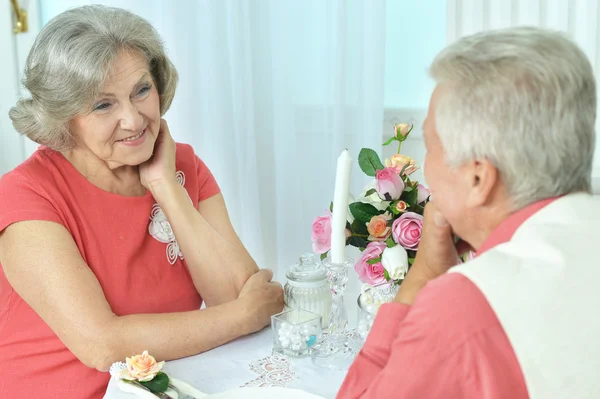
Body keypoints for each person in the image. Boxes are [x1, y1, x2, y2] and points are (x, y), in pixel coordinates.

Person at [0, 5, 283, 398]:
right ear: (62, 117)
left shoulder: (180, 165)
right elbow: (102, 345)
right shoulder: (27, 195)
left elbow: (235, 294)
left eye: (141, 91)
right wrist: (240, 317)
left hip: (167, 389)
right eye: (103, 105)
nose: (134, 120)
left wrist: (166, 187)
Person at [338, 27, 600, 398]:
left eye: (429, 146)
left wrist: (425, 273)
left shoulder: (464, 310)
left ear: (478, 178)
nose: (424, 166)